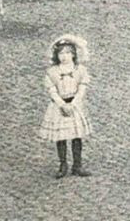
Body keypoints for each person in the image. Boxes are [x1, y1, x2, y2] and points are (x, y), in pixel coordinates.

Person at [39, 35, 93, 178]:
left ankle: (77, 165)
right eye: (61, 53)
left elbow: (82, 88)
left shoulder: (80, 70)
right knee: (60, 137)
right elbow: (52, 90)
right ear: (56, 55)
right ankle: (63, 164)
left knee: (76, 136)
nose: (64, 56)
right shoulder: (52, 72)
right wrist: (62, 104)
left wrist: (73, 104)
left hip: (75, 105)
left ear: (74, 54)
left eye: (68, 53)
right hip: (59, 106)